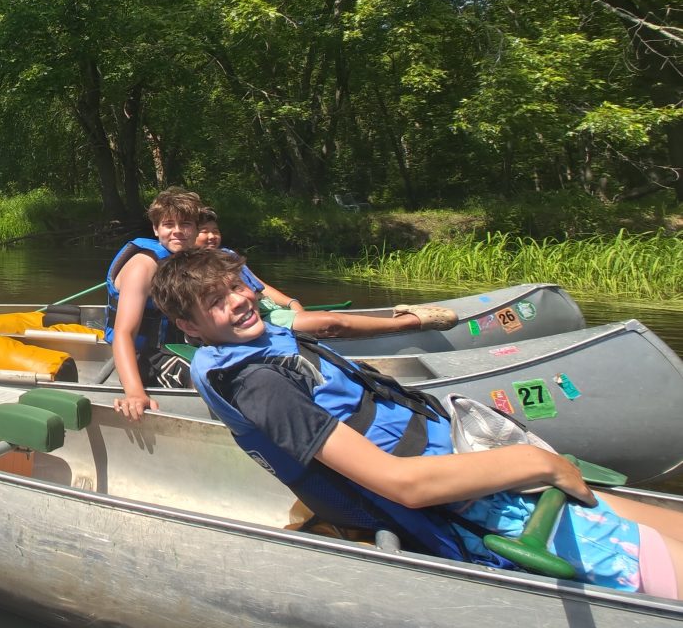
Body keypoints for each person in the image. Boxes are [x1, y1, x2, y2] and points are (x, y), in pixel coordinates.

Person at [149, 246, 683, 597]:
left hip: (464, 463)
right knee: (654, 556)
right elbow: (400, 485)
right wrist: (534, 461)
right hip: (461, 505)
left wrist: (406, 319)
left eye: (237, 287)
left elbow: (327, 325)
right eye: (216, 302)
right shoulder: (257, 384)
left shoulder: (260, 335)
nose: (240, 301)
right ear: (187, 325)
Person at [194, 207, 457, 338]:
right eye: (203, 231)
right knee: (332, 322)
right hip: (261, 318)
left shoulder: (227, 254)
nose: (211, 236)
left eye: (214, 230)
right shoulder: (193, 266)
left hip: (271, 310)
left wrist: (293, 302)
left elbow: (261, 286)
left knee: (319, 316)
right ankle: (406, 323)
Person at [103, 187, 203, 422]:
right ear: (156, 229)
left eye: (186, 224)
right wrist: (135, 393)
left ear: (196, 229)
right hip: (144, 355)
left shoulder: (188, 260)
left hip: (181, 346)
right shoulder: (143, 267)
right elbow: (124, 333)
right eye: (169, 225)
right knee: (206, 375)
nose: (178, 231)